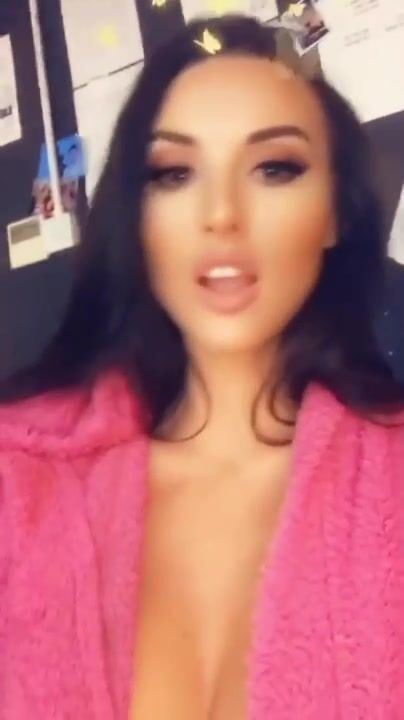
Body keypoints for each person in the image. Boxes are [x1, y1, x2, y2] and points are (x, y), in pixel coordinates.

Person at [0, 14, 404, 720]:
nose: (221, 216)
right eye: (174, 173)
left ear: (334, 214)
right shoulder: (18, 486)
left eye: (275, 168)